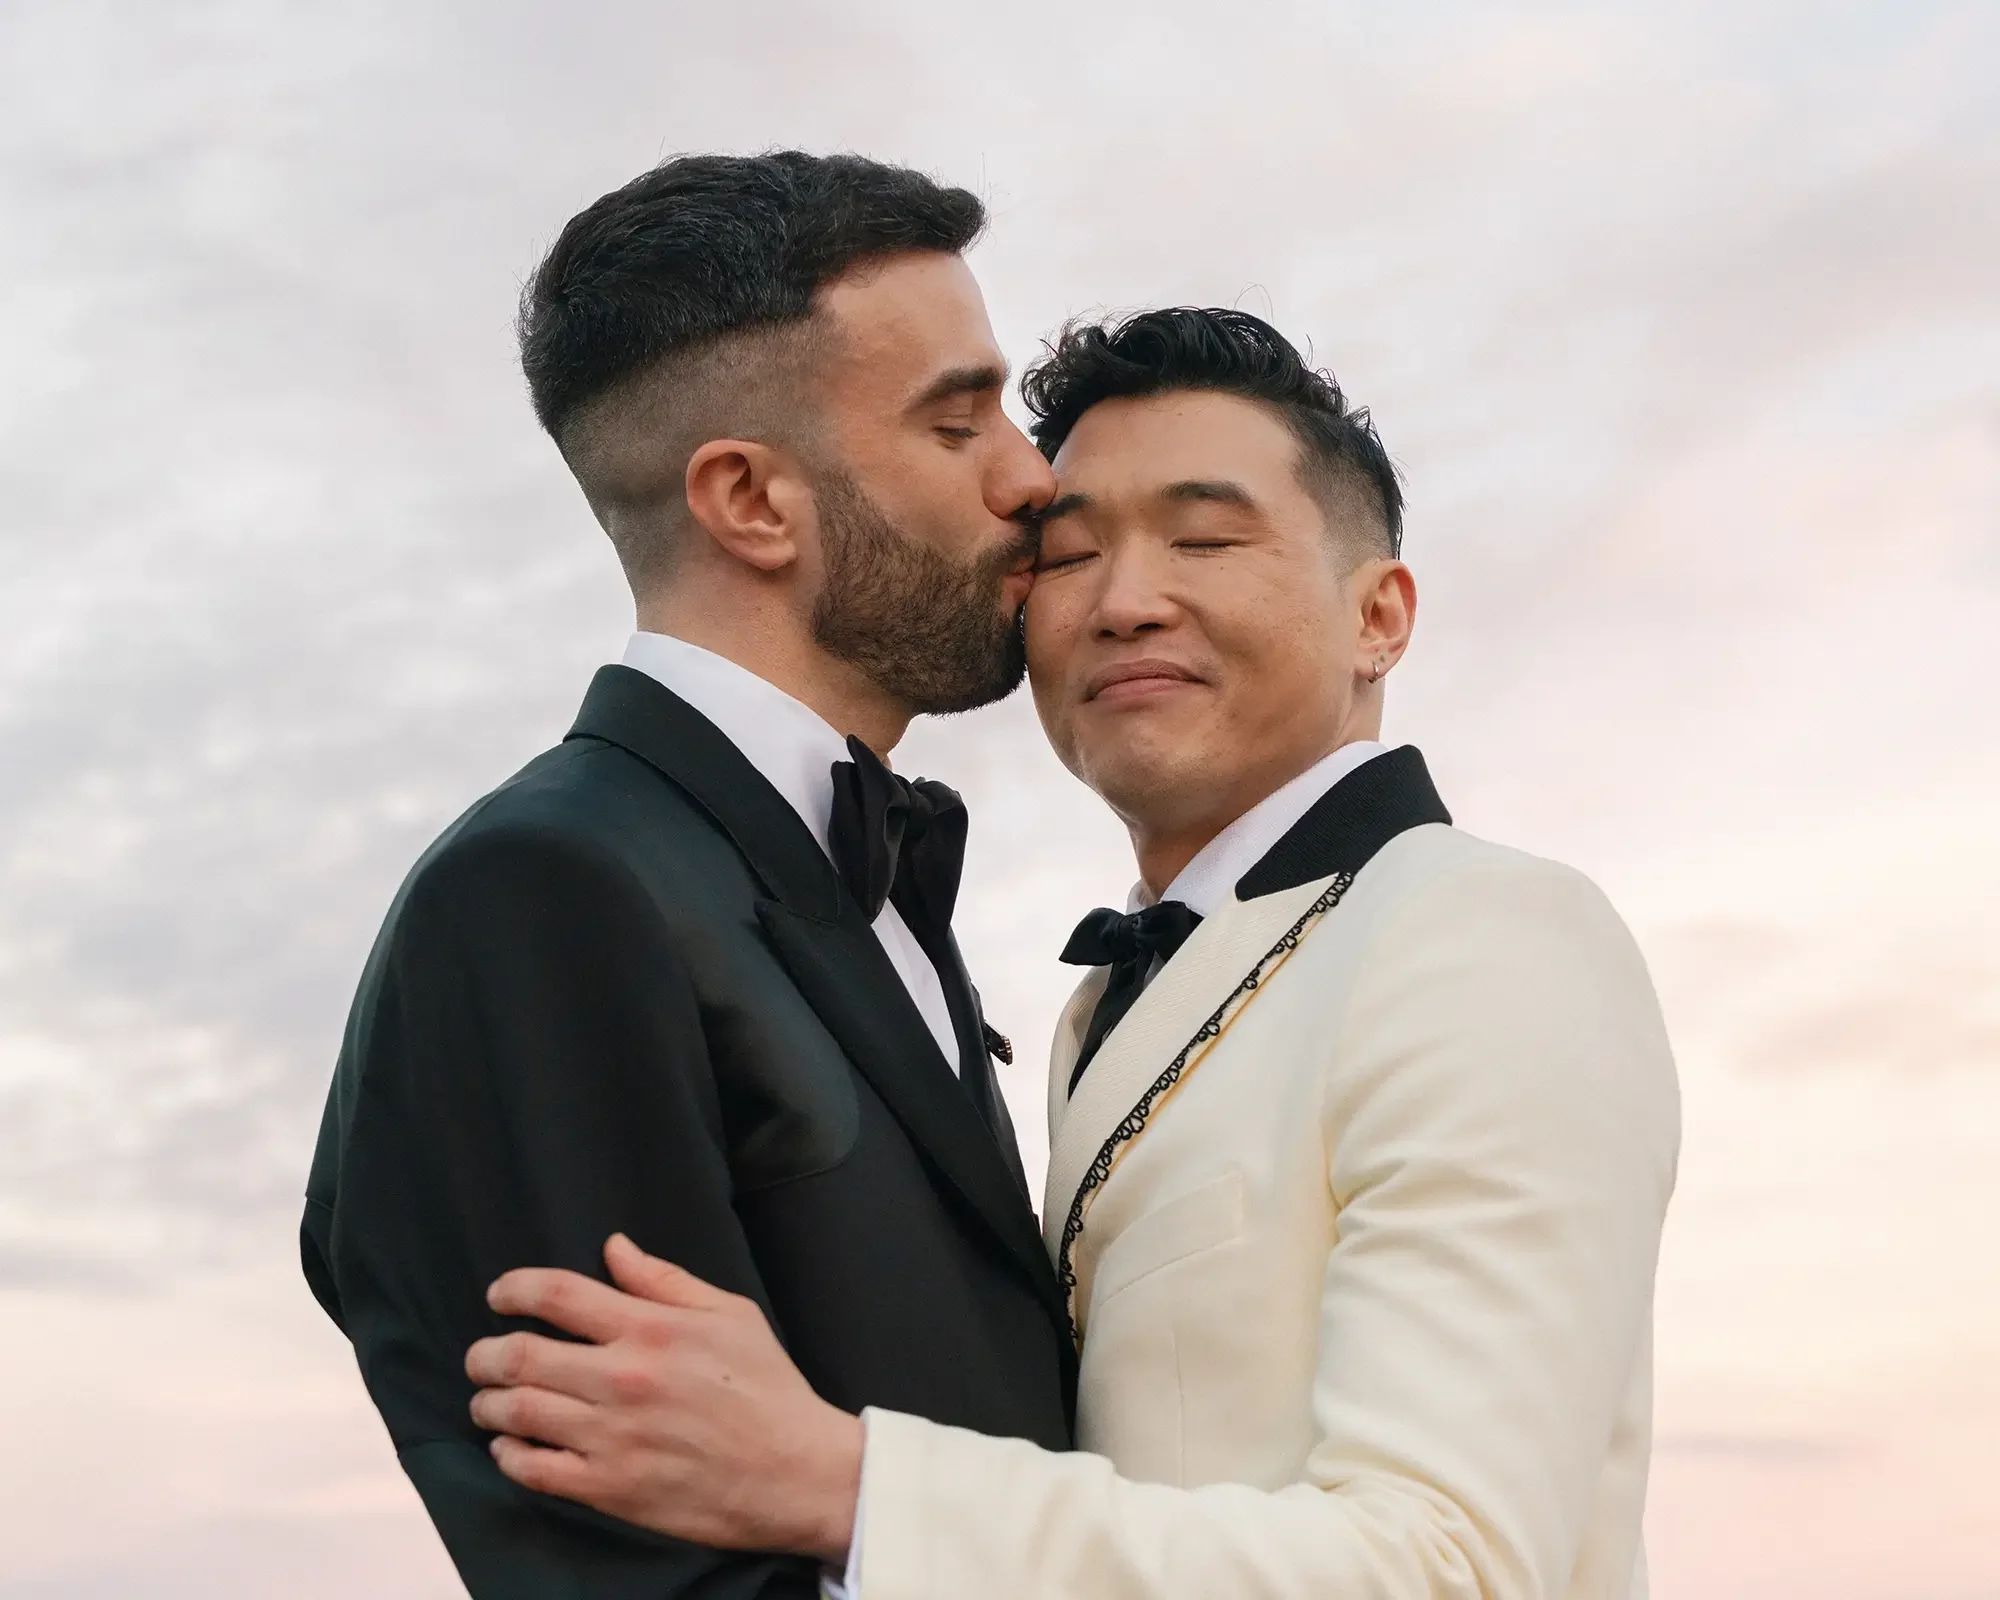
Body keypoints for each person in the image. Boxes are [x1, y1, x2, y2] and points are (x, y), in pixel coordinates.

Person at [464, 308, 1683, 1600]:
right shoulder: (1101, 1007)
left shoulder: (1481, 932)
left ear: (1380, 615)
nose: (1124, 602)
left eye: (1207, 538)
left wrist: (839, 1481)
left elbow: (1450, 1569)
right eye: (1068, 553)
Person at [299, 150, 1078, 1600]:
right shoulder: (545, 896)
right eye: (959, 419)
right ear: (750, 501)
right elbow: (645, 1578)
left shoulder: (843, 864)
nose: (1032, 476)